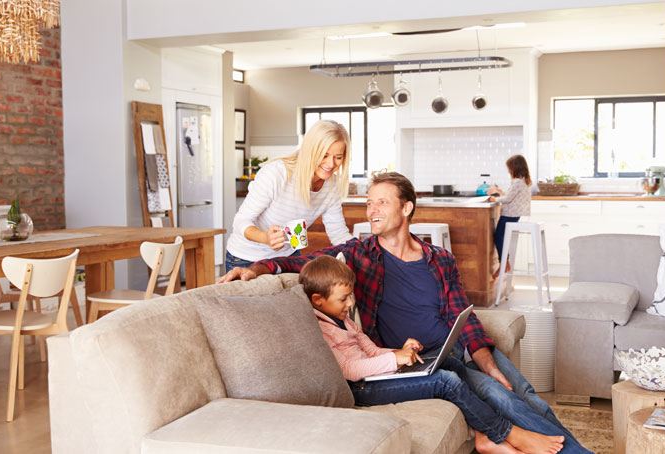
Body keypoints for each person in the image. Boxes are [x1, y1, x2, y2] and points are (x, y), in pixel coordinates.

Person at [219, 172, 591, 454]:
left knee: (522, 390)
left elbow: (464, 316)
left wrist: (490, 363)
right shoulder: (362, 255)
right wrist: (258, 269)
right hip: (422, 359)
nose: (371, 209)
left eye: (382, 202)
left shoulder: (439, 259)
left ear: (406, 207)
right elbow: (305, 260)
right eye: (369, 202)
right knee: (503, 397)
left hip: (456, 350)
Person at [298, 255, 564, 454]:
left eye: (351, 296)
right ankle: (505, 433)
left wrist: (401, 352)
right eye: (343, 299)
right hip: (362, 389)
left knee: (447, 363)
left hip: (376, 376)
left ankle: (482, 435)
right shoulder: (321, 328)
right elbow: (348, 370)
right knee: (445, 381)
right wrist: (394, 360)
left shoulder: (343, 320)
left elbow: (371, 350)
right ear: (318, 299)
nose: (351, 303)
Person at [224, 119, 354, 273]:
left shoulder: (332, 185)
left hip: (288, 257)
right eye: (324, 155)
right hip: (247, 258)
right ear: (310, 151)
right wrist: (265, 238)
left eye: (338, 157)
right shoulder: (276, 174)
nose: (331, 164)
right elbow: (240, 221)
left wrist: (361, 251)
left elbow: (337, 232)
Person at [489, 155, 532, 279]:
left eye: (509, 168)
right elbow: (511, 195)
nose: (508, 171)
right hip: (514, 214)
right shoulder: (522, 181)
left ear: (514, 168)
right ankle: (505, 263)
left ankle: (503, 264)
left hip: (510, 214)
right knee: (501, 237)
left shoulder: (517, 182)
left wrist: (495, 198)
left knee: (498, 237)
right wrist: (500, 191)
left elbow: (507, 199)